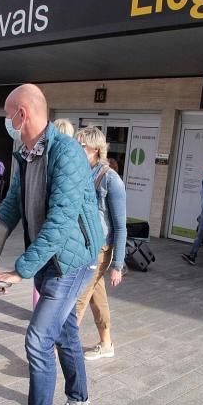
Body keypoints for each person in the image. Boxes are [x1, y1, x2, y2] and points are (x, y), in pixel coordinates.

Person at [0, 84, 103, 405]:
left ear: (22, 114)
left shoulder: (67, 153)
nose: (7, 123)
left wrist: (22, 269)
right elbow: (11, 205)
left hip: (72, 261)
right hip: (50, 256)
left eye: (8, 115)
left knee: (38, 340)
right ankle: (79, 402)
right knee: (66, 331)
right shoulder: (25, 152)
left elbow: (60, 220)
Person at [74, 126, 127, 361]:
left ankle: (54, 349)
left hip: (99, 250)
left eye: (80, 146)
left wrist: (117, 264)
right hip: (81, 245)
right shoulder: (80, 172)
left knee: (77, 298)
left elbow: (120, 225)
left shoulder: (111, 179)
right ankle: (106, 343)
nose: (76, 149)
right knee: (96, 295)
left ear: (95, 149)